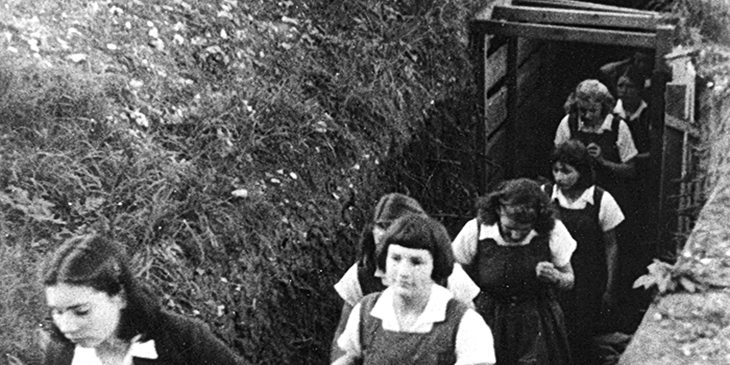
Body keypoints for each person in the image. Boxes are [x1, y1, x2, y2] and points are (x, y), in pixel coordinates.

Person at [41, 234, 242, 365]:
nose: (67, 326)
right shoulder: (60, 354)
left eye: (81, 311)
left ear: (120, 297)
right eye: (57, 312)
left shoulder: (183, 338)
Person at [331, 193, 480, 362]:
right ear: (371, 229)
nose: (386, 234)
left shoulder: (450, 275)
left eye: (396, 227)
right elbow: (343, 338)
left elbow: (470, 340)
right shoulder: (360, 275)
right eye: (381, 226)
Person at [452, 178, 576, 365]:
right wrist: (472, 297)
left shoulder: (552, 230)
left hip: (537, 320)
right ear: (498, 210)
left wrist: (556, 277)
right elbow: (451, 267)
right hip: (490, 317)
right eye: (509, 228)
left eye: (524, 230)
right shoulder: (477, 229)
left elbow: (570, 279)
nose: (516, 235)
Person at [545, 140, 624, 364]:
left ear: (581, 171)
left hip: (588, 277)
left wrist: (610, 287)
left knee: (581, 331)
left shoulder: (601, 200)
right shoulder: (547, 195)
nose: (559, 177)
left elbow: (611, 246)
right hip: (556, 274)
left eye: (567, 171)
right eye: (556, 170)